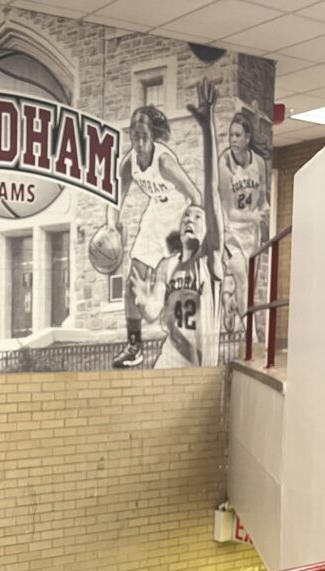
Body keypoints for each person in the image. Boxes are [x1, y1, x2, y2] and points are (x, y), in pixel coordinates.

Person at [131, 79, 228, 369]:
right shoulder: (166, 265)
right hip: (168, 358)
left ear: (206, 229)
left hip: (200, 367)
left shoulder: (211, 259)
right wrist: (143, 299)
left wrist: (207, 124)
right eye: (187, 215)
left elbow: (210, 191)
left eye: (198, 217)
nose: (190, 218)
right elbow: (151, 312)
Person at [107, 104, 200, 369]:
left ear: (154, 135)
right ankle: (135, 347)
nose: (138, 141)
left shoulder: (164, 161)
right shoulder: (129, 163)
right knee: (132, 285)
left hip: (178, 211)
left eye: (143, 136)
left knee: (176, 279)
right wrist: (110, 225)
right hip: (155, 213)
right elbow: (116, 198)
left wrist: (192, 232)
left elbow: (196, 196)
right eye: (134, 136)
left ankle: (188, 338)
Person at [218, 111, 270, 333]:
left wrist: (266, 211)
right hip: (231, 231)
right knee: (240, 276)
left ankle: (230, 303)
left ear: (247, 138)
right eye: (231, 135)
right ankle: (251, 334)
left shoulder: (258, 162)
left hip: (252, 232)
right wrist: (252, 215)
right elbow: (230, 211)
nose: (233, 140)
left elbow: (264, 200)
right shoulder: (225, 163)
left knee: (248, 285)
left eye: (238, 135)